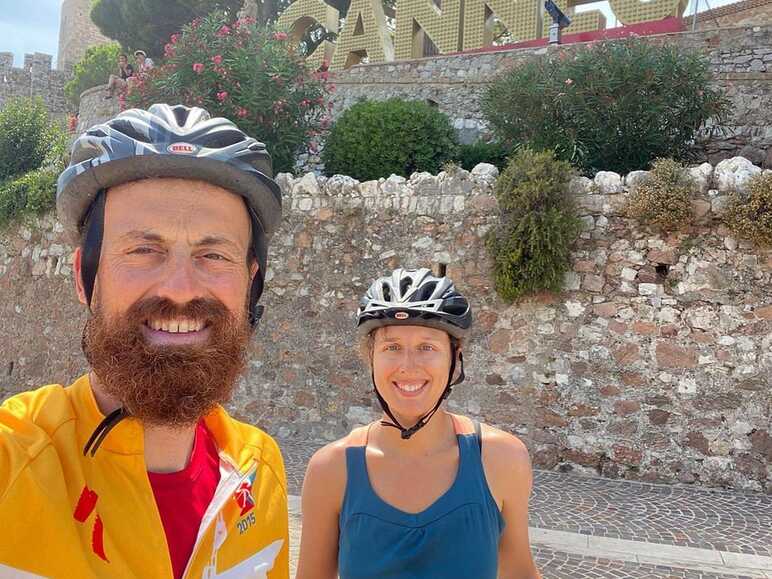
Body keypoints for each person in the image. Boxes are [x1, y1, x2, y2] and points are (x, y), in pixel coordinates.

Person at [0, 104, 289, 579]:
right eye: (142, 250)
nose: (180, 288)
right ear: (83, 277)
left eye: (213, 254)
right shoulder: (12, 462)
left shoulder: (261, 473)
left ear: (250, 285)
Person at [296, 268, 541, 579]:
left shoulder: (501, 459)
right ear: (370, 357)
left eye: (427, 347)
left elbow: (520, 572)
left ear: (455, 360)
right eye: (392, 347)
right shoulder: (331, 469)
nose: (408, 366)